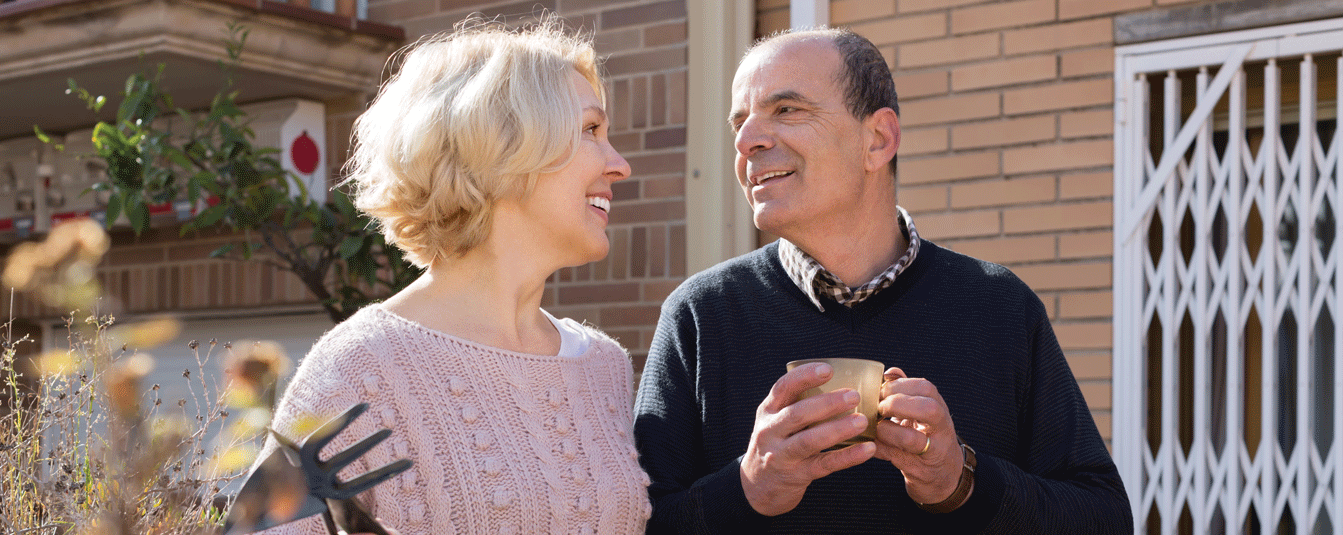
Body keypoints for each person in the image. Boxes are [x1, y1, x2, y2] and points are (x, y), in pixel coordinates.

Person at [632, 27, 1131, 534]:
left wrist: (961, 483)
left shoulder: (1000, 307)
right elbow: (635, 523)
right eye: (740, 122)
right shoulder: (699, 315)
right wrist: (745, 489)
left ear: (878, 139)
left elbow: (1105, 518)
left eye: (787, 110)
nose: (745, 141)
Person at [254, 17, 650, 535]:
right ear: (503, 149)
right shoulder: (361, 367)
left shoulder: (603, 366)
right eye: (591, 130)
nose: (619, 164)